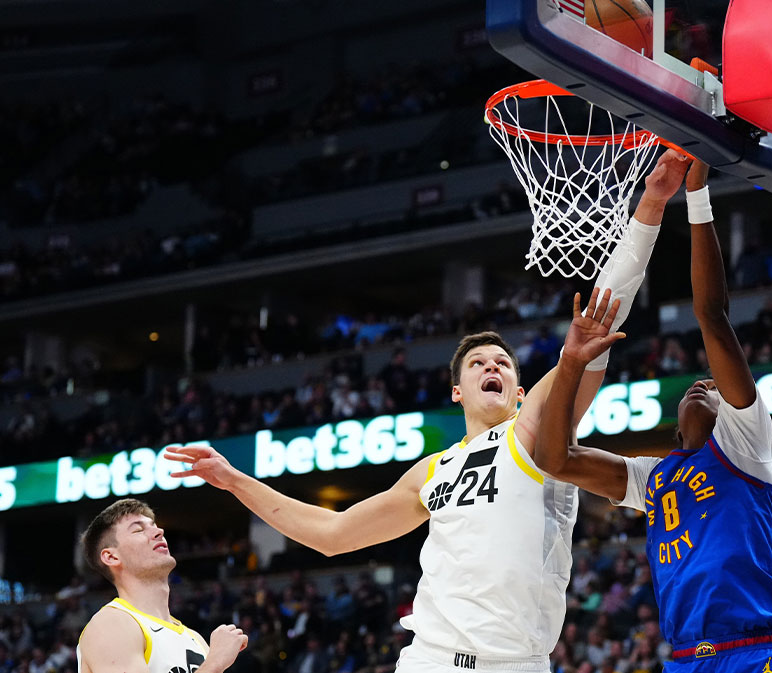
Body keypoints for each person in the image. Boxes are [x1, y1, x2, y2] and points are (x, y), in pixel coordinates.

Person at [166, 151, 693, 672]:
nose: (493, 366)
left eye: (503, 363)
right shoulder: (432, 470)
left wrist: (651, 203)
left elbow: (603, 315)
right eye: (478, 363)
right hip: (430, 660)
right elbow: (332, 535)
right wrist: (235, 481)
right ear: (458, 392)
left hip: (517, 663)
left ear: (519, 388)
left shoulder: (533, 430)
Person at [532, 159, 772, 671]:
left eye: (716, 389)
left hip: (752, 652)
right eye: (697, 386)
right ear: (677, 426)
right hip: (682, 660)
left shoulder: (745, 444)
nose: (706, 385)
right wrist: (571, 363)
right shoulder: (654, 477)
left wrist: (697, 195)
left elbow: (712, 317)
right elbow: (556, 460)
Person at [76, 498, 247, 673]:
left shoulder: (195, 639)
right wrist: (215, 663)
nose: (159, 531)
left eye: (154, 525)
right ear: (111, 557)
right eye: (138, 530)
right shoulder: (111, 624)